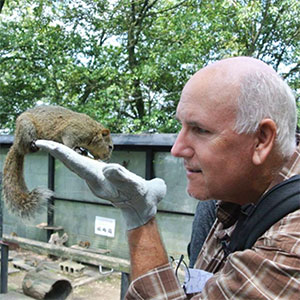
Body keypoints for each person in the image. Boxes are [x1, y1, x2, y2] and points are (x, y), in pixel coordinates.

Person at [35, 56, 300, 299]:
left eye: (200, 129)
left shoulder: (289, 248)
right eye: (181, 126)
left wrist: (140, 219)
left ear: (262, 139)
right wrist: (138, 211)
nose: (176, 149)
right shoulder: (226, 198)